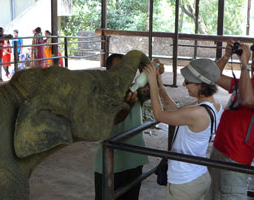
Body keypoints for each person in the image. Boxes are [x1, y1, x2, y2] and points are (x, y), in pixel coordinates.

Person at [144, 58, 223, 200]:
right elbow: (175, 111)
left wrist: (152, 84)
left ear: (201, 85)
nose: (183, 84)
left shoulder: (197, 113)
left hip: (184, 182)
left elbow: (159, 115)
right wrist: (160, 85)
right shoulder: (214, 105)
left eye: (187, 82)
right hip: (199, 175)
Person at [94, 53, 159, 200]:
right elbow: (109, 121)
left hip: (135, 159)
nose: (124, 74)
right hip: (111, 163)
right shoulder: (101, 94)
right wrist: (127, 107)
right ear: (109, 72)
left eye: (127, 70)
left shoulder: (135, 89)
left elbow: (151, 91)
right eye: (119, 69)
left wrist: (153, 73)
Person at [206, 41, 253, 200]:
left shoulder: (247, 87)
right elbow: (211, 76)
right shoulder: (248, 83)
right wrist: (226, 55)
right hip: (219, 151)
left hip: (236, 159)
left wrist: (244, 64)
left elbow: (247, 99)